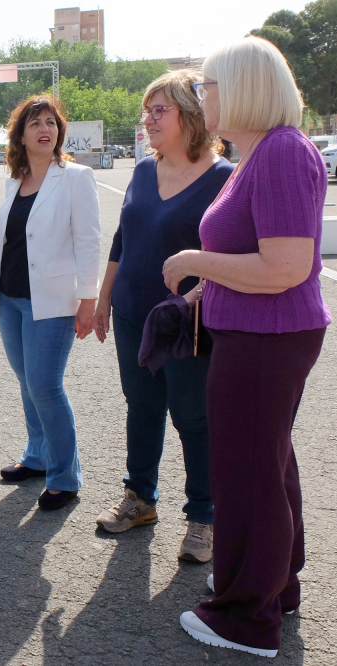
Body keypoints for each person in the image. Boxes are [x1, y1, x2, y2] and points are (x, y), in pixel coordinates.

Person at [162, 37, 331, 658]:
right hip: (263, 333)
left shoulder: (281, 152)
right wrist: (208, 289)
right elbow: (262, 258)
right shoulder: (268, 151)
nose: (203, 97)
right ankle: (271, 583)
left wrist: (192, 262)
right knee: (268, 464)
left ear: (242, 88)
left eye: (209, 85)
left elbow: (286, 265)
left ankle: (245, 617)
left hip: (269, 337)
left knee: (249, 472)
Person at [92, 70, 233, 562]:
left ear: (191, 117)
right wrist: (104, 296)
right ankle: (140, 499)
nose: (147, 119)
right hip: (132, 312)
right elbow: (121, 240)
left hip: (186, 321)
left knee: (193, 418)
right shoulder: (141, 171)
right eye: (146, 110)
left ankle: (202, 520)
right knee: (142, 407)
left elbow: (235, 251)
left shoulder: (223, 178)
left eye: (160, 110)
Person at [0, 95, 101, 510]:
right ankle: (37, 456)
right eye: (35, 122)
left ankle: (65, 476)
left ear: (59, 132)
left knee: (45, 386)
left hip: (53, 302)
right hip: (10, 299)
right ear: (20, 135)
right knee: (27, 383)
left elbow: (89, 241)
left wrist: (87, 299)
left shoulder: (75, 177)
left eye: (51, 123)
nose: (45, 129)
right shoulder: (13, 180)